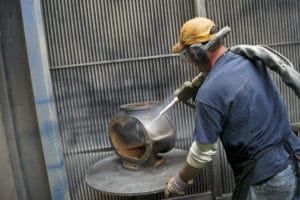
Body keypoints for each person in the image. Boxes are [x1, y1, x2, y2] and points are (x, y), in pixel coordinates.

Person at [164, 17, 300, 200]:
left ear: (197, 53)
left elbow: (202, 153)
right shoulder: (250, 59)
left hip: (268, 180)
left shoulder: (209, 93)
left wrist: (179, 183)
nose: (189, 60)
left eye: (187, 54)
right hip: (293, 159)